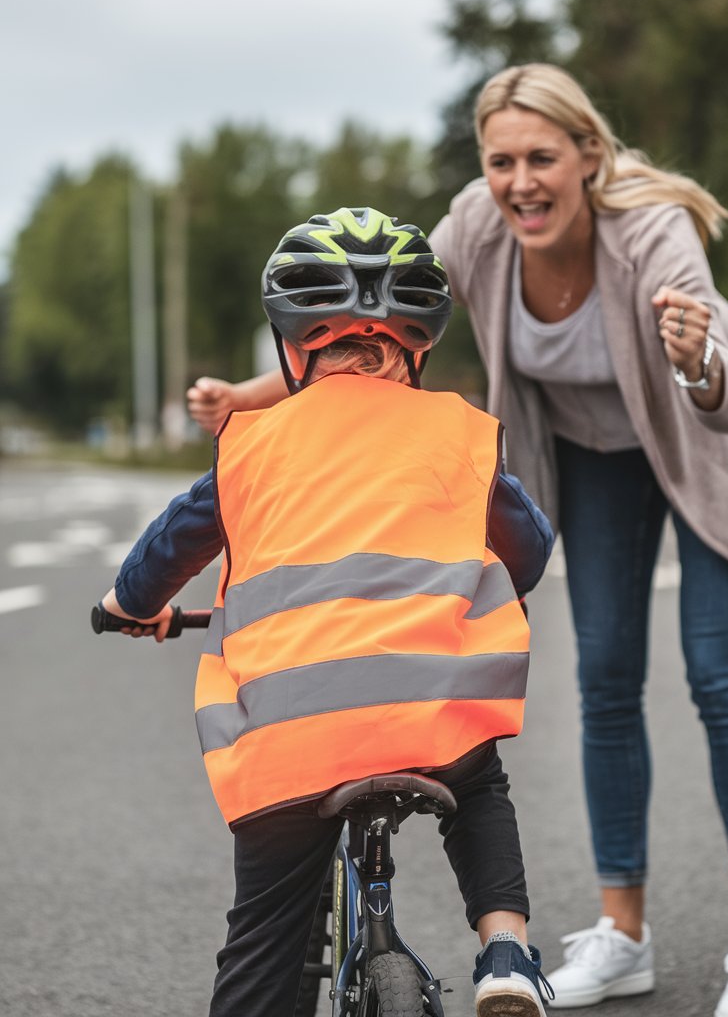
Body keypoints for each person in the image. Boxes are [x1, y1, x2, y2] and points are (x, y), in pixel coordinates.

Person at [187, 64, 728, 1017]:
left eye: (543, 158)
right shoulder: (478, 225)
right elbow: (370, 316)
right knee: (604, 679)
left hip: (696, 446)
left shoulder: (652, 234)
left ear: (589, 157)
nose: (521, 181)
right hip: (592, 464)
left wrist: (700, 358)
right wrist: (249, 395)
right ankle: (623, 932)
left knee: (717, 674)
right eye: (501, 160)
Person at [100, 206, 557, 1017]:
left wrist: (126, 604)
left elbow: (168, 550)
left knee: (261, 937)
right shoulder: (459, 433)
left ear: (292, 346)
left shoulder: (253, 445)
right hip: (430, 714)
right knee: (479, 782)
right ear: (419, 344)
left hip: (289, 734)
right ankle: (506, 949)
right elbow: (530, 549)